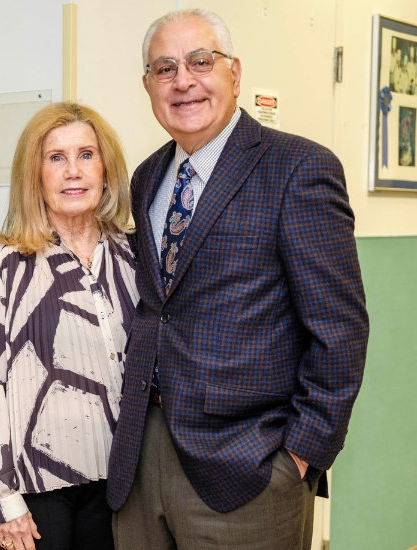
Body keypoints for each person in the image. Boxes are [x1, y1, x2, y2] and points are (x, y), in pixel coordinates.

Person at [106, 9, 369, 550]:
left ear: (235, 72)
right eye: (164, 68)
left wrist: (299, 456)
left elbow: (340, 331)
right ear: (148, 86)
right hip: (140, 455)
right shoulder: (148, 175)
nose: (184, 80)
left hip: (250, 467)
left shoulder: (298, 167)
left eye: (201, 61)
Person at [0, 101, 137, 550]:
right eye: (56, 158)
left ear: (106, 168)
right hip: (37, 490)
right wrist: (0, 497)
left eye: (86, 155)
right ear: (35, 175)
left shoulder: (134, 258)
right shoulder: (5, 265)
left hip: (125, 485)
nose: (73, 172)